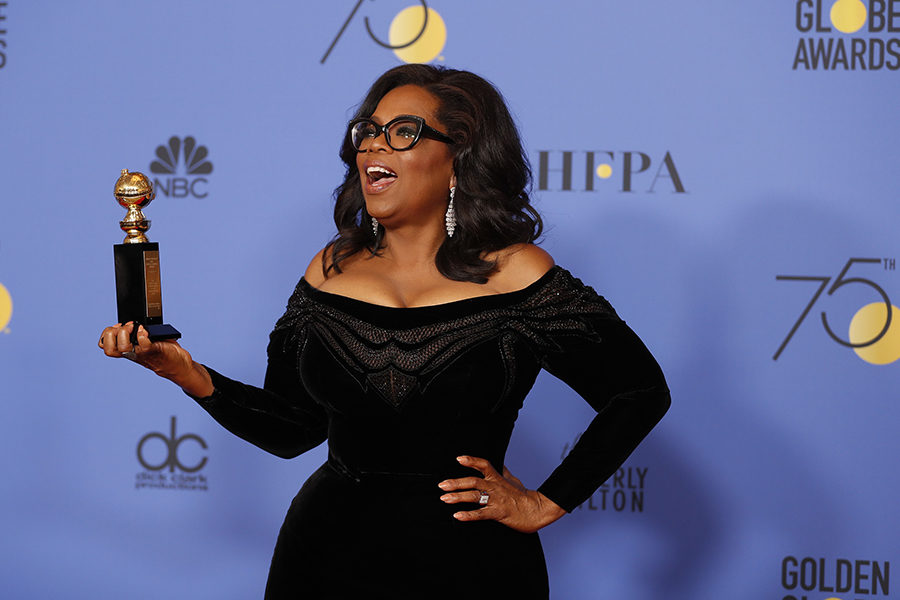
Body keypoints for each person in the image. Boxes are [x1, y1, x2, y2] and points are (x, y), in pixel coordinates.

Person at [99, 64, 670, 598]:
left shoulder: (518, 274)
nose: (373, 143)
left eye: (403, 132)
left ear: (460, 158)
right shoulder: (329, 269)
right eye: (368, 130)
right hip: (323, 557)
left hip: (472, 566)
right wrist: (186, 373)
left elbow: (638, 393)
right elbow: (291, 430)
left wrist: (546, 503)